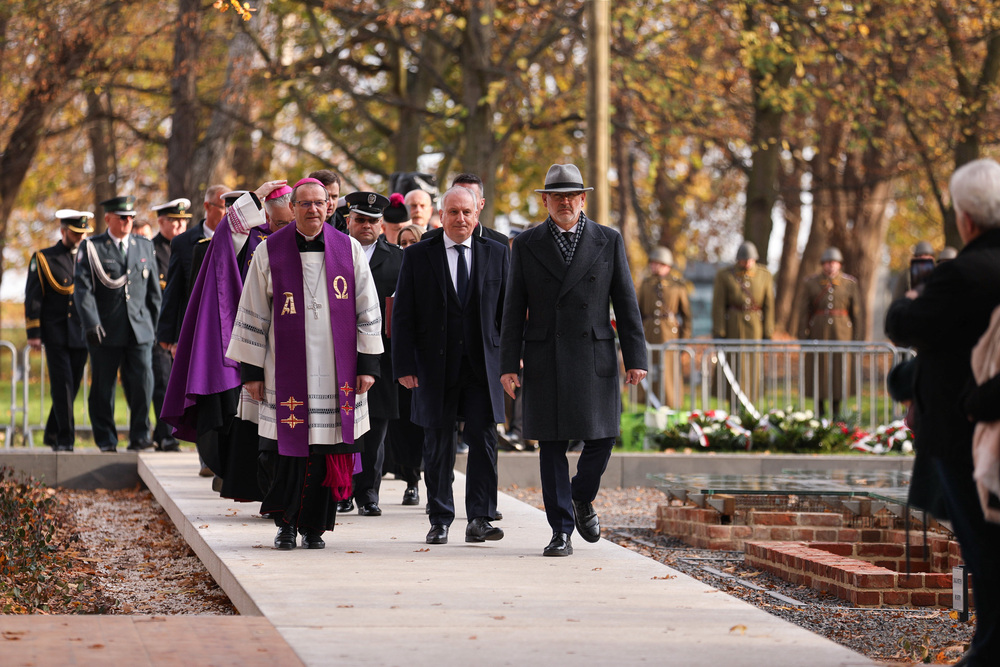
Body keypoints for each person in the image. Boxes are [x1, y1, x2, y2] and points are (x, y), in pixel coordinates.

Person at [885, 158, 1000, 667]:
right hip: (972, 422)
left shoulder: (963, 275)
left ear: (966, 219)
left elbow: (904, 322)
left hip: (963, 430)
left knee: (983, 549)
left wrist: (915, 294)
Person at [226, 177, 382, 550]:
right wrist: (251, 372)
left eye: (320, 202)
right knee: (283, 454)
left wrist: (368, 366)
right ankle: (285, 524)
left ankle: (314, 527)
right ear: (291, 208)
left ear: (330, 207)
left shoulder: (349, 250)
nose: (313, 209)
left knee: (328, 453)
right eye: (305, 203)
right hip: (283, 370)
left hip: (337, 374)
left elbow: (367, 309)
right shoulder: (269, 252)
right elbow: (252, 312)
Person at [499, 164, 647, 557]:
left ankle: (582, 495)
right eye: (556, 196)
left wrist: (636, 357)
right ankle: (560, 530)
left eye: (572, 195)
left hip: (594, 354)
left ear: (583, 199)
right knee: (550, 446)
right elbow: (514, 308)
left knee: (603, 437)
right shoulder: (527, 244)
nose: (565, 202)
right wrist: (508, 363)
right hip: (545, 354)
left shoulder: (608, 240)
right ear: (544, 201)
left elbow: (626, 303)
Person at [392, 186, 509, 546]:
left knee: (484, 441)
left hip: (482, 367)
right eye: (453, 212)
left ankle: (479, 518)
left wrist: (510, 361)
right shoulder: (418, 255)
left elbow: (508, 313)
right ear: (441, 216)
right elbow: (404, 315)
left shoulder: (498, 254)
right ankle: (440, 518)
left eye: (467, 213)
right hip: (434, 367)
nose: (460, 219)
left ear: (477, 215)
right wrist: (404, 365)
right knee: (438, 444)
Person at [161, 181, 290, 502]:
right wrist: (256, 197)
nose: (280, 229)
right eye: (275, 222)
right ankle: (253, 481)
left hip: (296, 341)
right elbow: (228, 234)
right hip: (254, 339)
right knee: (245, 419)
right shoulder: (253, 239)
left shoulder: (308, 240)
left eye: (287, 224)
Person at [74, 196, 161, 452]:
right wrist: (91, 323)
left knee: (143, 384)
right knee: (103, 388)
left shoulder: (144, 245)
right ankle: (106, 440)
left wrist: (155, 328)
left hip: (139, 330)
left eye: (131, 217)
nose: (127, 222)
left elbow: (154, 292)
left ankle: (140, 436)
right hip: (105, 331)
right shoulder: (92, 247)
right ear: (108, 218)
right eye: (122, 217)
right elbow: (83, 289)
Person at [158, 185, 227, 473]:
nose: (228, 214)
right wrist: (168, 337)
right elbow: (174, 291)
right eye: (224, 207)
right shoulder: (185, 242)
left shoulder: (243, 237)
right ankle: (206, 458)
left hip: (228, 331)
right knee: (200, 394)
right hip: (197, 332)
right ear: (208, 207)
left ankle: (223, 458)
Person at [336, 191, 397, 517]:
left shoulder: (398, 258)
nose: (367, 226)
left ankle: (369, 493)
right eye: (360, 219)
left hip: (381, 357)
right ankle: (343, 489)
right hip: (339, 355)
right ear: (349, 220)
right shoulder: (334, 253)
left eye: (373, 221)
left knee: (375, 431)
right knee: (343, 428)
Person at [24, 209, 94, 451]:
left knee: (72, 386)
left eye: (84, 233)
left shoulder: (89, 256)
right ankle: (66, 439)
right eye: (76, 233)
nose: (81, 237)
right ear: (64, 231)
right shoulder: (44, 258)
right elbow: (33, 297)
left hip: (81, 333)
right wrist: (34, 333)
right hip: (55, 333)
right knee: (62, 385)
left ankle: (52, 432)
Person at [384, 222, 425, 504]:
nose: (407, 247)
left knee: (424, 426)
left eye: (413, 241)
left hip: (427, 360)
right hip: (397, 358)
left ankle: (427, 480)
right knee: (403, 426)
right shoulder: (393, 274)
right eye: (403, 243)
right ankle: (410, 478)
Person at [796, 247, 862, 418]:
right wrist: (802, 336)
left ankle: (837, 409)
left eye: (834, 263)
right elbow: (803, 311)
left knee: (839, 369)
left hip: (842, 333)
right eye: (827, 263)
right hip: (818, 331)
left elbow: (856, 313)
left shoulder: (849, 283)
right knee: (819, 369)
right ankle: (819, 408)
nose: (830, 267)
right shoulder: (811, 282)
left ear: (839, 265)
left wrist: (857, 339)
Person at [148, 198, 191, 451]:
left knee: (178, 383)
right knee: (162, 381)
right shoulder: (150, 250)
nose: (179, 225)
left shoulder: (188, 246)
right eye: (173, 220)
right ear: (161, 221)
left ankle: (164, 431)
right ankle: (166, 435)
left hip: (181, 327)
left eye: (183, 220)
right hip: (158, 326)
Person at [711, 240, 774, 404]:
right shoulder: (725, 275)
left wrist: (768, 332)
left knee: (753, 367)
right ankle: (733, 404)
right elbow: (718, 305)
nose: (747, 263)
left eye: (750, 260)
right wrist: (719, 332)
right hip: (733, 325)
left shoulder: (764, 275)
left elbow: (768, 305)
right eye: (744, 260)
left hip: (755, 327)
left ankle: (751, 404)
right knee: (733, 365)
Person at [637, 246, 691, 409]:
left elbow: (686, 316)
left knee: (669, 376)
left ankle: (669, 407)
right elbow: (638, 311)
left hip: (670, 337)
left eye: (658, 263)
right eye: (653, 263)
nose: (654, 266)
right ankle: (647, 406)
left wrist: (683, 342)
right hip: (648, 336)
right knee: (649, 373)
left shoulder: (677, 286)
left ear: (667, 265)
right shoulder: (645, 284)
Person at [423, 173, 509, 245]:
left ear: (482, 203)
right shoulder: (429, 239)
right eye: (458, 192)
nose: (464, 198)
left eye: (472, 196)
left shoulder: (499, 242)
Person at [308, 169, 347, 233]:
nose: (331, 203)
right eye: (326, 197)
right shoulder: (296, 223)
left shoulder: (345, 226)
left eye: (334, 197)